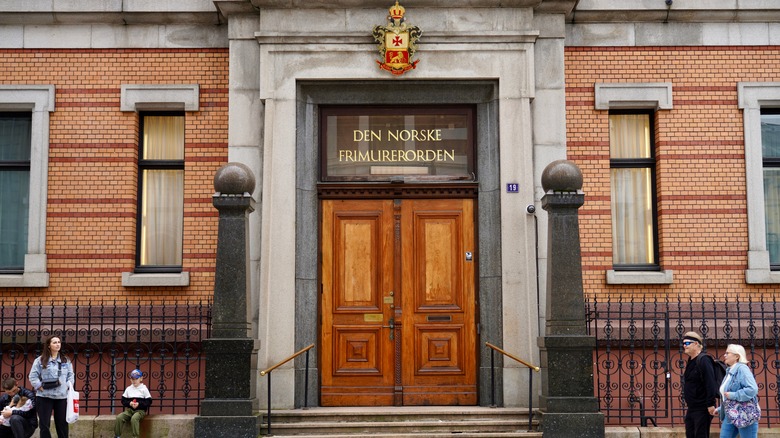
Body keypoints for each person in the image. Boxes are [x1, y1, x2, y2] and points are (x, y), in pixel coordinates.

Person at [28, 335, 74, 438]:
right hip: (44, 396)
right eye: (54, 342)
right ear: (49, 345)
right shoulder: (40, 360)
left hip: (61, 397)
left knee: (62, 424)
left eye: (59, 342)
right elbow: (33, 376)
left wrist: (68, 386)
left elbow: (71, 375)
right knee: (44, 425)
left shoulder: (65, 360)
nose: (58, 344)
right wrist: (39, 386)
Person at [709, 344, 759, 438]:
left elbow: (752, 389)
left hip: (745, 414)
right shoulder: (730, 371)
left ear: (737, 356)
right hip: (730, 414)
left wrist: (733, 395)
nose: (724, 355)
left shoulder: (742, 369)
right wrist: (720, 409)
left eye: (727, 353)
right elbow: (727, 396)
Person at [682, 331, 718, 438]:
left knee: (700, 435)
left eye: (687, 343)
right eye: (683, 343)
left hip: (702, 408)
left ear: (696, 344)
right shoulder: (691, 360)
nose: (684, 345)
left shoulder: (704, 360)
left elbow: (710, 383)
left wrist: (710, 404)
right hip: (692, 407)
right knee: (690, 434)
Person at [114, 369, 152, 438]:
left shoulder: (144, 389)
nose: (134, 381)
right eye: (132, 379)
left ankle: (135, 436)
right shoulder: (129, 389)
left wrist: (139, 404)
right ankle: (117, 435)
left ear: (141, 379)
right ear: (130, 379)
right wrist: (130, 403)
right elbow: (123, 400)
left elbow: (149, 401)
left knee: (134, 419)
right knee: (119, 417)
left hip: (140, 411)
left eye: (136, 379)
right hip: (130, 410)